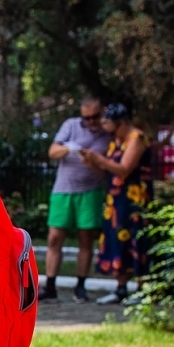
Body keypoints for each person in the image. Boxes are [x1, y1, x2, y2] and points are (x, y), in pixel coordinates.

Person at [81, 104, 152, 305]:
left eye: (110, 125)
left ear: (122, 122)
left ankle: (141, 289)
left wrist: (100, 159)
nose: (108, 130)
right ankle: (120, 288)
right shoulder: (116, 142)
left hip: (135, 200)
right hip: (116, 200)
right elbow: (109, 173)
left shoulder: (136, 138)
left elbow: (124, 169)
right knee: (117, 240)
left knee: (136, 240)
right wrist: (93, 163)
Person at [41, 97, 110, 302]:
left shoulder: (107, 136)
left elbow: (105, 174)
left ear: (102, 113)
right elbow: (53, 151)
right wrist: (72, 148)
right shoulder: (71, 126)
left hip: (90, 191)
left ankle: (81, 286)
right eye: (86, 118)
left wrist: (92, 162)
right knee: (54, 237)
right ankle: (50, 285)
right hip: (63, 189)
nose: (90, 122)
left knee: (86, 238)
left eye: (95, 117)